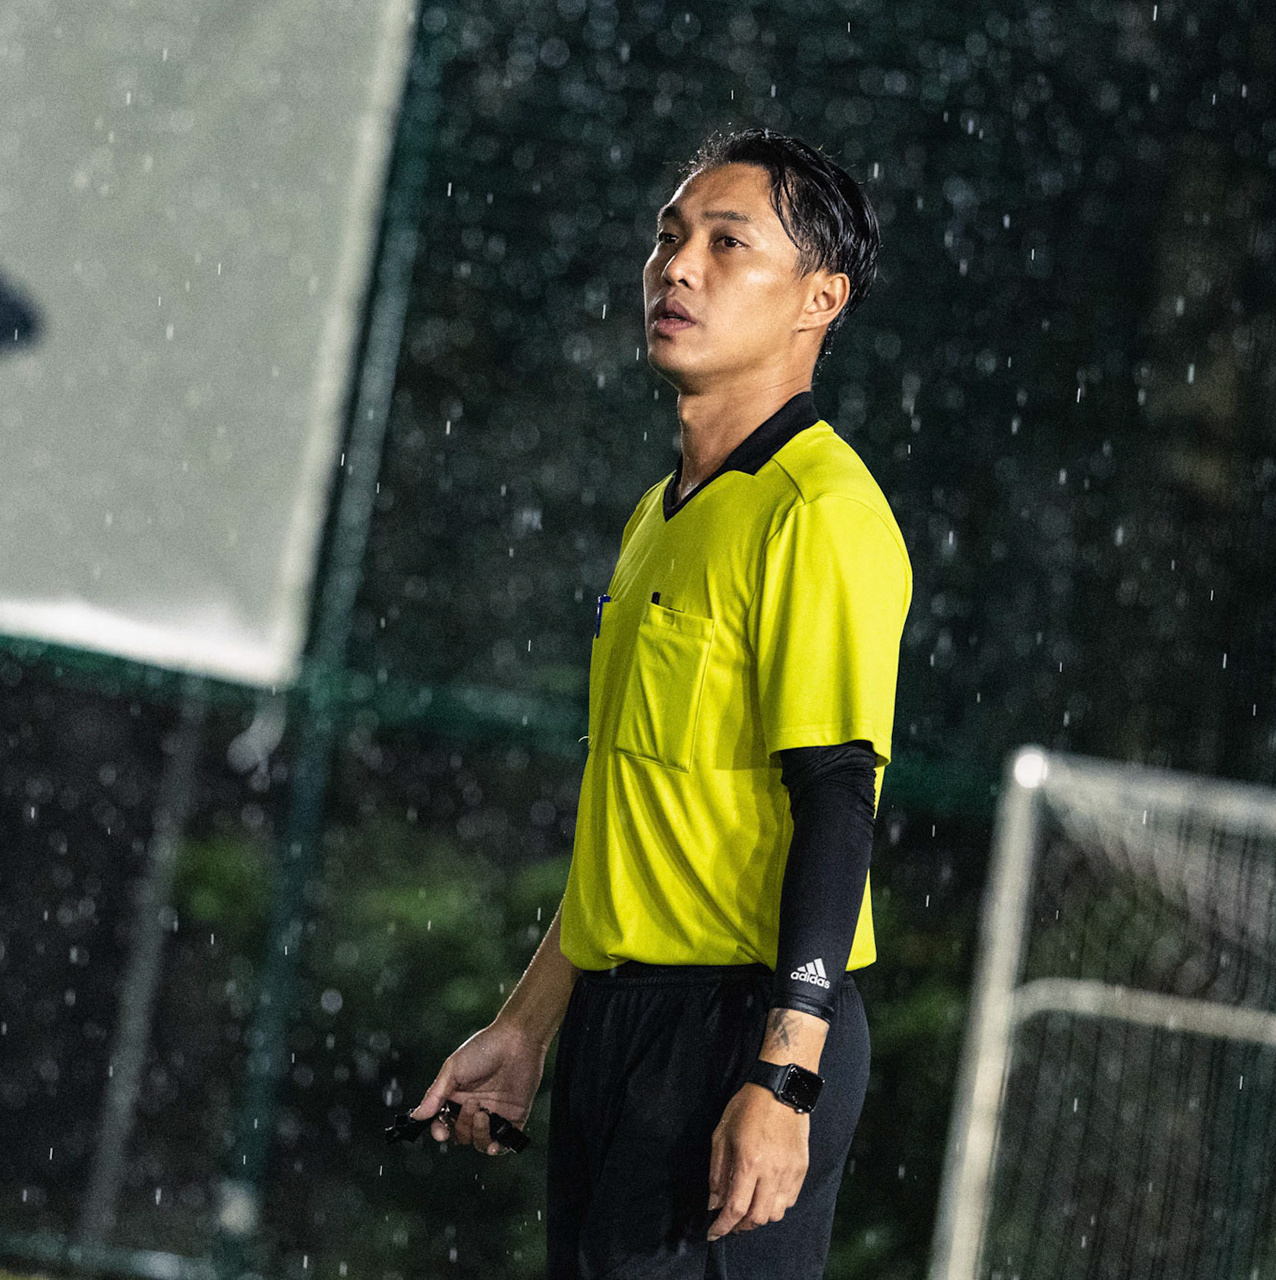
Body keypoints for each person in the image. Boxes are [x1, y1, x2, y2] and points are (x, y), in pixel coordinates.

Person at [413, 127, 912, 1279]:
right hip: (617, 1030)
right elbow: (635, 823)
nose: (677, 267)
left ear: (818, 299)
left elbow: (839, 801)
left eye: (728, 244)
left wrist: (785, 1074)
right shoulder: (662, 514)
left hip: (741, 1031)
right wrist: (531, 1025)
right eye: (669, 237)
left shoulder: (820, 509)